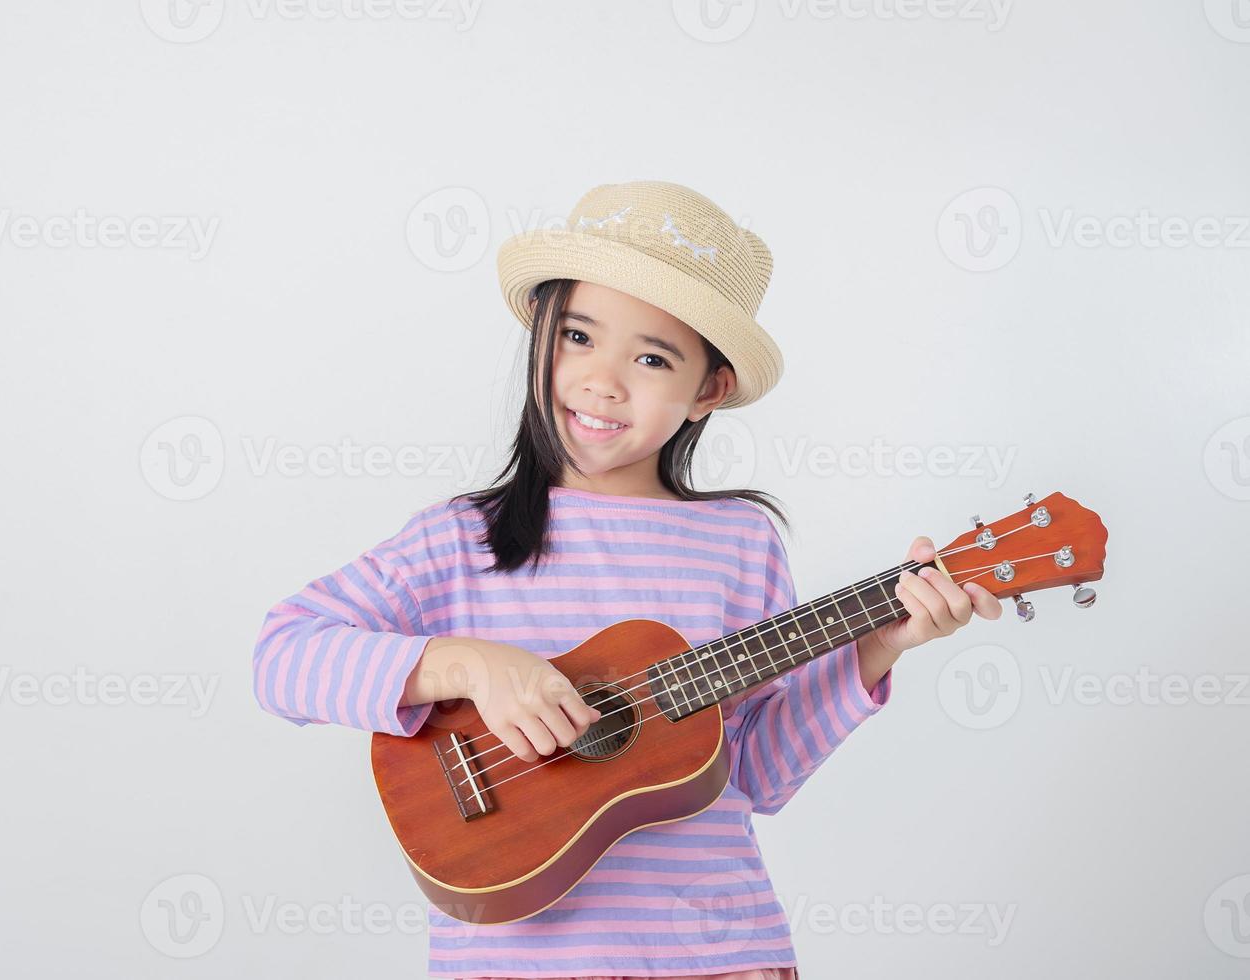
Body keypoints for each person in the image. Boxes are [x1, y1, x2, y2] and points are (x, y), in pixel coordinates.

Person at [252, 180, 1003, 979]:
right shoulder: (461, 537)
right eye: (578, 336)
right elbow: (282, 656)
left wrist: (876, 648)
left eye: (650, 357)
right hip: (514, 963)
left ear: (708, 390)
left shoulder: (739, 543)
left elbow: (753, 773)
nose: (603, 380)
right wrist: (470, 665)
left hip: (718, 954)